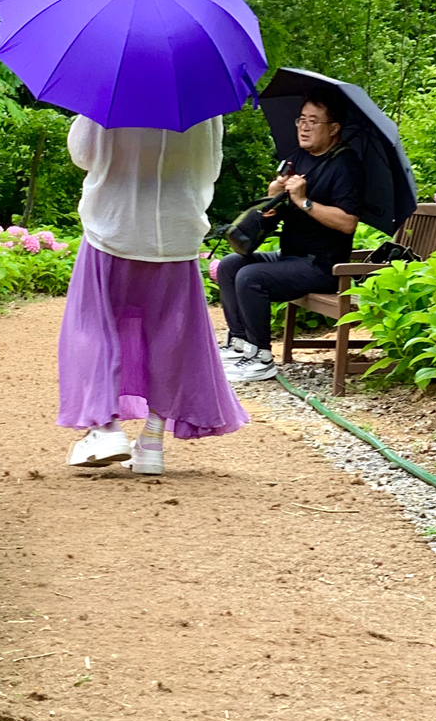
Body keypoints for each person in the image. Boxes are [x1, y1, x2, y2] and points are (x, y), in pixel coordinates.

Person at [58, 115, 247, 474]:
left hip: (113, 227)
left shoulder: (111, 84)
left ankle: (105, 427)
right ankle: (151, 442)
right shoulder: (204, 101)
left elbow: (82, 153)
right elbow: (210, 168)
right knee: (171, 335)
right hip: (175, 235)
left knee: (92, 325)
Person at [215, 92, 362, 384]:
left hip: (322, 266)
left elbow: (348, 223)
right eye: (301, 120)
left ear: (333, 128)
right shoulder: (297, 158)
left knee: (251, 277)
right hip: (291, 255)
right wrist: (273, 201)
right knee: (231, 265)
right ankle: (240, 344)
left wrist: (304, 201)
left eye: (313, 121)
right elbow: (281, 214)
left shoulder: (345, 165)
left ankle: (261, 357)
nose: (304, 127)